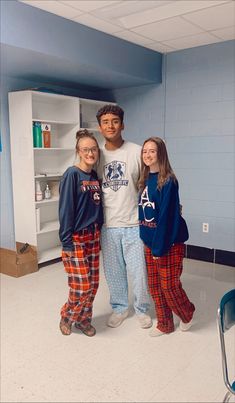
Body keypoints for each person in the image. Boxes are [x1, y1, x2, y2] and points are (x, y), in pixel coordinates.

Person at [96, 104, 152, 329]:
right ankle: (119, 308)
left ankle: (142, 309)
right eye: (106, 122)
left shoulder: (136, 151)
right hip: (108, 226)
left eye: (115, 121)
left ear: (122, 124)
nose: (111, 126)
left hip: (133, 223)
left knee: (139, 272)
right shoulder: (97, 154)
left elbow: (147, 184)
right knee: (113, 272)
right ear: (100, 127)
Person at [138, 137, 195, 337]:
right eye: (145, 151)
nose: (148, 154)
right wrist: (146, 239)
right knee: (154, 287)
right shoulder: (144, 179)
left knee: (169, 286)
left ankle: (187, 313)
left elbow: (167, 218)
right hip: (150, 242)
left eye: (152, 151)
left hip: (168, 243)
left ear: (161, 154)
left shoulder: (168, 181)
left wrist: (159, 248)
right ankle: (165, 323)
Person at [59, 129, 103, 336]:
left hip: (93, 237)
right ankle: (67, 316)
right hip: (76, 238)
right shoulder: (72, 174)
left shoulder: (94, 176)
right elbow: (66, 210)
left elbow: (97, 206)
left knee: (93, 284)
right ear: (78, 151)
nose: (90, 153)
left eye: (93, 149)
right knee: (82, 284)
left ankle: (84, 320)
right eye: (86, 149)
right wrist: (66, 243)